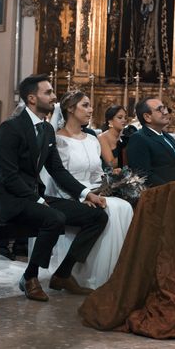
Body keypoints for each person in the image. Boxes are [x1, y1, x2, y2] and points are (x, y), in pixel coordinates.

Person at [0, 74, 108, 302]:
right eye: (48, 92)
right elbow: (8, 176)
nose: (54, 97)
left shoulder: (46, 131)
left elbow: (57, 170)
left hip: (35, 197)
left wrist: (87, 194)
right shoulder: (11, 128)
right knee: (53, 217)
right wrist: (37, 200)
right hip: (12, 200)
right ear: (32, 98)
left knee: (97, 216)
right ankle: (30, 276)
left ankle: (63, 274)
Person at [45, 91, 134, 289]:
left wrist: (107, 189)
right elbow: (59, 177)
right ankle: (85, 274)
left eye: (90, 105)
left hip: (93, 191)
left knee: (124, 206)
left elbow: (96, 174)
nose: (91, 110)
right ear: (70, 109)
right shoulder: (58, 140)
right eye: (85, 105)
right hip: (68, 194)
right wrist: (80, 197)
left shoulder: (92, 140)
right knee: (107, 211)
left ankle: (115, 274)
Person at [121, 0, 174, 82]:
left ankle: (161, 74)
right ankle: (138, 73)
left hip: (159, 24)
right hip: (143, 24)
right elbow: (132, 3)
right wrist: (140, 1)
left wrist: (154, 1)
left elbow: (170, 0)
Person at [127, 97, 175, 187]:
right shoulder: (139, 138)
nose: (166, 112)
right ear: (147, 117)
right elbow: (143, 173)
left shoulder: (167, 137)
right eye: (160, 109)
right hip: (159, 193)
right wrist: (169, 189)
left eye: (165, 108)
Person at [98, 105, 129, 169]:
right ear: (110, 121)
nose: (124, 120)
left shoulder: (123, 138)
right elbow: (110, 164)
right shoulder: (102, 138)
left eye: (125, 118)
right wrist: (128, 152)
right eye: (120, 117)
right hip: (108, 176)